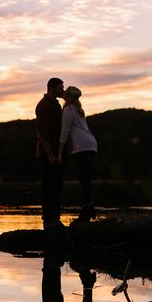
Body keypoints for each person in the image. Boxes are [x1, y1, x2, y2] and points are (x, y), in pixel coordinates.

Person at [58, 86, 98, 221]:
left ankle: (87, 210)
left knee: (84, 179)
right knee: (85, 178)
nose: (63, 92)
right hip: (90, 144)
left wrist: (59, 152)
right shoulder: (78, 109)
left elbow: (65, 132)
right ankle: (88, 209)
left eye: (65, 92)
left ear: (68, 96)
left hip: (82, 146)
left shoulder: (68, 110)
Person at [35, 78, 65, 230]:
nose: (62, 91)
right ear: (51, 88)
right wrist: (51, 155)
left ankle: (55, 219)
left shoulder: (55, 104)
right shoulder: (45, 106)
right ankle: (49, 220)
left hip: (56, 153)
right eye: (60, 88)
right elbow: (43, 133)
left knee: (57, 186)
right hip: (49, 154)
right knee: (49, 187)